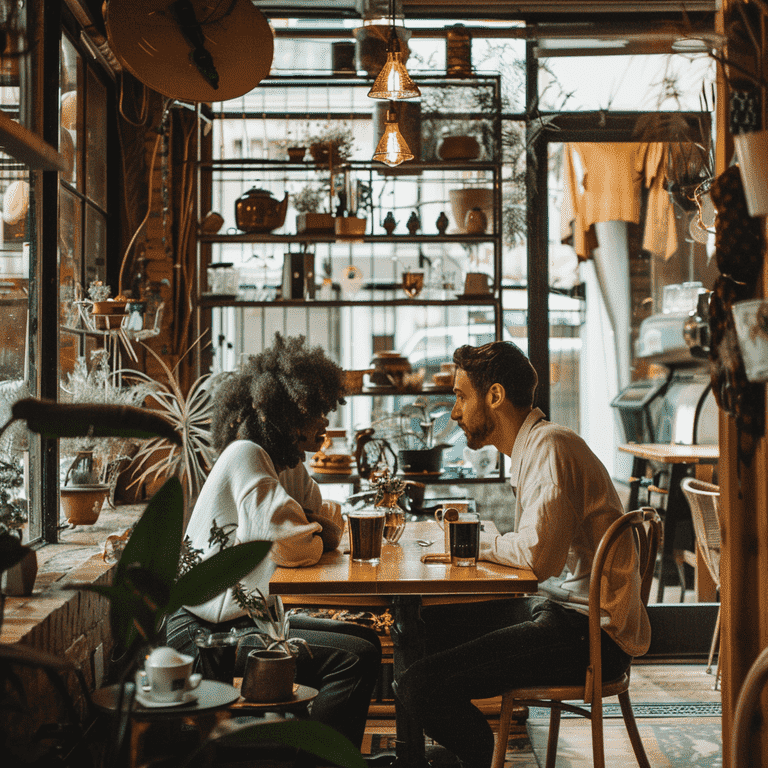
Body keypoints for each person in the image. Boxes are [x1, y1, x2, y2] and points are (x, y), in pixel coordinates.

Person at [395, 341, 650, 768]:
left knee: (417, 685)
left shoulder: (549, 448)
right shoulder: (537, 448)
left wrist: (471, 541)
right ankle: (447, 745)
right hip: (566, 613)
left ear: (494, 396)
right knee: (421, 625)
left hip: (591, 636)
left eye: (460, 396)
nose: (455, 413)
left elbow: (537, 560)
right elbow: (540, 555)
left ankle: (476, 756)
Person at [166, 333, 381, 759]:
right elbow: (289, 545)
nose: (326, 422)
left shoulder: (284, 464)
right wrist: (315, 529)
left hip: (243, 620)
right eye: (317, 411)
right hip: (203, 634)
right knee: (353, 659)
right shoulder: (247, 454)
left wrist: (316, 527)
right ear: (288, 410)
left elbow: (328, 520)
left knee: (366, 643)